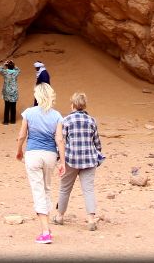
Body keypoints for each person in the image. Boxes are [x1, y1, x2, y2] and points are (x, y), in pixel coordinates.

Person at [16, 83, 64, 244]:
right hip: (50, 155)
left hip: (33, 154)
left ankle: (45, 232)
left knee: (38, 191)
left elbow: (22, 134)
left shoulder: (29, 113)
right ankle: (47, 227)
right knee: (47, 189)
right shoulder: (57, 115)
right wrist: (62, 161)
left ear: (37, 96)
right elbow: (59, 139)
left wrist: (19, 150)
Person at [56, 91, 105, 231]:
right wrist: (98, 156)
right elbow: (97, 143)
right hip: (89, 160)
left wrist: (60, 159)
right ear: (84, 105)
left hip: (71, 160)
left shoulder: (66, 121)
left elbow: (61, 141)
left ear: (72, 105)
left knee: (65, 188)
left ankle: (59, 216)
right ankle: (90, 220)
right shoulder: (91, 121)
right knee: (88, 189)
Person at [0, 60, 20, 125]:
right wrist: (13, 64)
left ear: (7, 66)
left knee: (7, 106)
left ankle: (6, 121)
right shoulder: (16, 72)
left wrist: (4, 64)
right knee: (13, 106)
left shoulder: (5, 72)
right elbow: (19, 69)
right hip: (14, 91)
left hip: (7, 91)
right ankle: (13, 121)